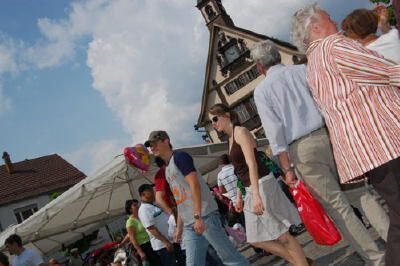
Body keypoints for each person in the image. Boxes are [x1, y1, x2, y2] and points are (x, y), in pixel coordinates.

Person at [251, 37, 389, 254]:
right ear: (278, 57)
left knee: (339, 207)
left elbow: (275, 131)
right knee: (361, 194)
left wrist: (287, 169)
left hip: (302, 150)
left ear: (260, 67)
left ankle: (376, 258)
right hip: (330, 136)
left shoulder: (262, 91)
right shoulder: (302, 71)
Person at [291, 3, 400, 266]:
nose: (337, 21)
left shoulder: (313, 62)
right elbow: (386, 71)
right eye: (329, 18)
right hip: (384, 141)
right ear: (315, 27)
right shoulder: (334, 47)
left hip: (369, 148)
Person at [208, 104, 311, 266]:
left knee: (282, 235)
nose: (213, 124)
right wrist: (239, 197)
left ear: (227, 115)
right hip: (251, 188)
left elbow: (252, 164)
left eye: (215, 119)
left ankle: (302, 264)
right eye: (211, 122)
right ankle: (302, 262)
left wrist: (256, 195)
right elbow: (239, 170)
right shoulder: (230, 138)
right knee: (255, 240)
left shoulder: (241, 132)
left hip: (262, 184)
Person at [144, 130, 250, 266]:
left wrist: (198, 216)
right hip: (190, 223)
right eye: (150, 146)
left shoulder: (180, 157)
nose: (152, 148)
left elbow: (194, 184)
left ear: (166, 141)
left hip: (204, 216)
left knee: (230, 257)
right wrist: (179, 227)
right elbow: (180, 200)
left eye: (155, 143)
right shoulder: (167, 170)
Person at [138, 184, 178, 266]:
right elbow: (151, 228)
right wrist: (165, 242)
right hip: (163, 246)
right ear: (143, 194)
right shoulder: (143, 210)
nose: (153, 193)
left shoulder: (154, 204)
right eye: (150, 192)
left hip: (172, 240)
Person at [124, 199, 160, 266]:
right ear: (130, 209)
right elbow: (132, 237)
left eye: (137, 204)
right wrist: (140, 252)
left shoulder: (141, 217)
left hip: (151, 243)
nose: (137, 206)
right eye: (134, 205)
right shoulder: (130, 222)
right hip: (143, 246)